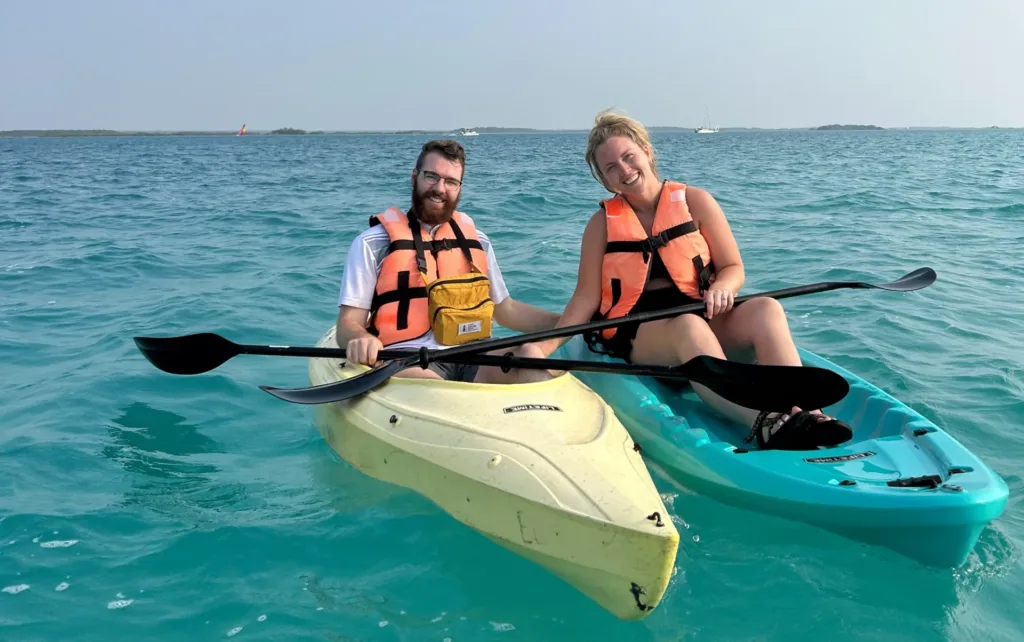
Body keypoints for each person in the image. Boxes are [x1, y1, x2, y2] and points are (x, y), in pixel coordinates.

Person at [532, 110, 852, 450]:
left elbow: (733, 268)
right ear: (605, 179)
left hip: (704, 318)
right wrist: (547, 349)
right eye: (611, 167)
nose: (624, 171)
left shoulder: (696, 201)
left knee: (766, 309)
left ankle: (807, 410)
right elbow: (585, 298)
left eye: (629, 157)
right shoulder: (600, 225)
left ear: (647, 151)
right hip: (645, 339)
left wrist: (722, 288)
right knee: (688, 326)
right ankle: (763, 421)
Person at [335, 139, 559, 384]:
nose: (440, 188)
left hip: (475, 352)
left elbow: (505, 311)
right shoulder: (373, 243)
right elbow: (348, 324)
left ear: (459, 187)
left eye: (451, 181)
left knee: (529, 355)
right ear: (414, 177)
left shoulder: (478, 241)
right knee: (430, 384)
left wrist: (568, 322)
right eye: (431, 176)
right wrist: (360, 338)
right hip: (408, 357)